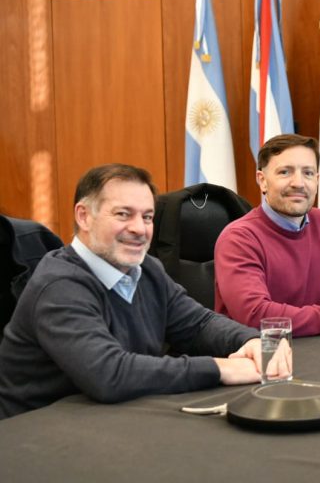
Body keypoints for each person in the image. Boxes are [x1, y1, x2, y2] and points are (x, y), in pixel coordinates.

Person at [0, 164, 291, 420]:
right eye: (123, 214)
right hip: (37, 436)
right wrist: (221, 369)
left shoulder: (147, 269)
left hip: (111, 421)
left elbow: (198, 324)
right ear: (84, 216)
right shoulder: (59, 285)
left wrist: (251, 340)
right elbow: (108, 374)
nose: (140, 229)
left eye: (148, 217)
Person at [215, 134, 320, 336]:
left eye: (308, 173)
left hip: (313, 347)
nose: (299, 183)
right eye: (285, 172)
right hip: (258, 352)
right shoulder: (239, 239)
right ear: (262, 181)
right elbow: (257, 316)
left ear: (317, 180)